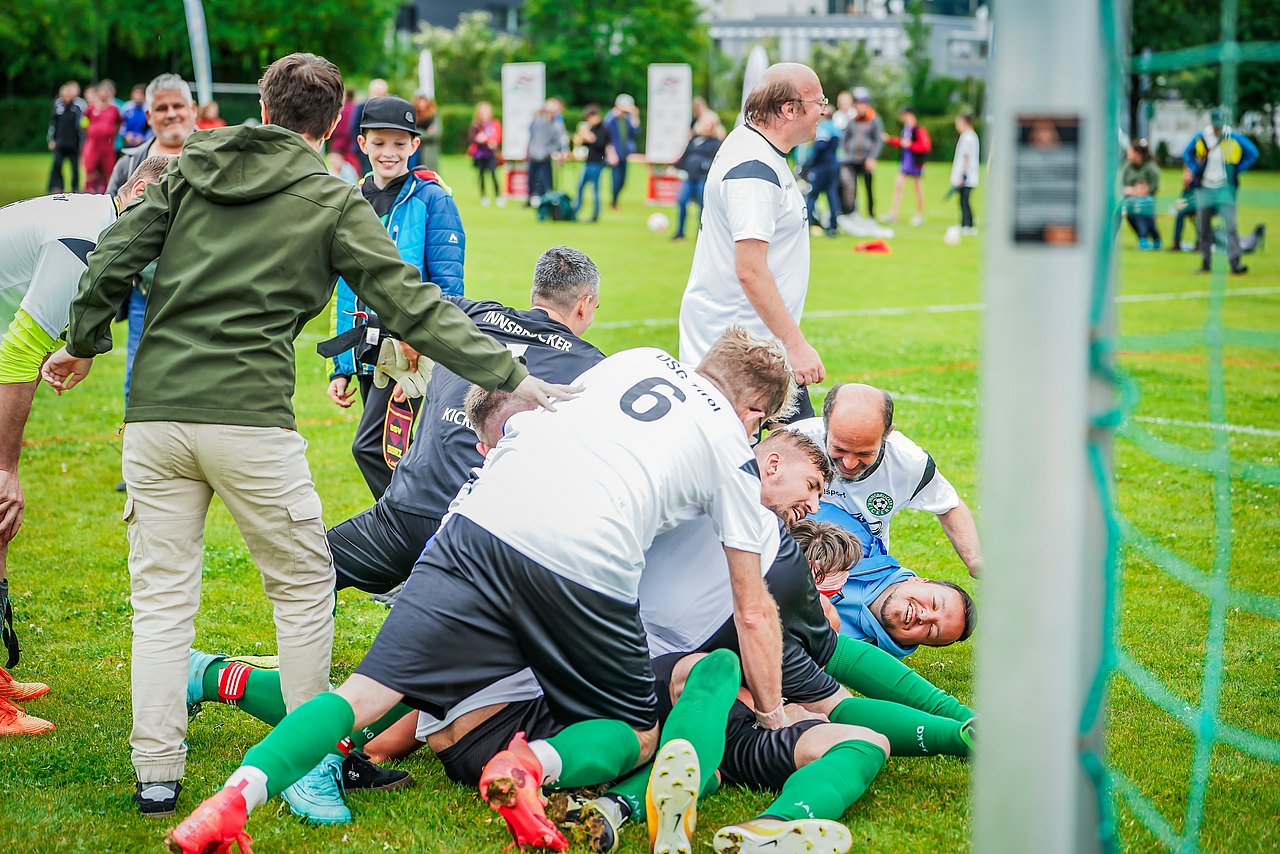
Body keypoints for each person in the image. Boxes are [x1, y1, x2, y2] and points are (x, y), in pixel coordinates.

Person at [40, 52, 572, 819]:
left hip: (156, 415)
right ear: (335, 121)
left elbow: (117, 249)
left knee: (160, 602)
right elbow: (411, 303)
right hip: (249, 418)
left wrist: (81, 342)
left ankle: (157, 774)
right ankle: (309, 768)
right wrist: (515, 377)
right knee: (302, 590)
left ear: (261, 103)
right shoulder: (330, 195)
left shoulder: (191, 166)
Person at [166, 328, 796, 853]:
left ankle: (231, 800)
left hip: (477, 517)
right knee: (636, 733)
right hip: (582, 557)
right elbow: (752, 605)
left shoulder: (634, 360)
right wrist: (771, 716)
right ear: (754, 414)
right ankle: (528, 767)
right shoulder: (731, 445)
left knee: (361, 694)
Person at [0, 156, 171, 736]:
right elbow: (19, 353)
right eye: (170, 214)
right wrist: (7, 469)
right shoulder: (86, 237)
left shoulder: (99, 218)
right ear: (142, 192)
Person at [324, 95, 467, 499]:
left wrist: (421, 352)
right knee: (397, 455)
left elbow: (449, 287)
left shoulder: (433, 200)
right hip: (367, 350)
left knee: (373, 448)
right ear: (362, 143)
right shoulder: (351, 200)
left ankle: (407, 533)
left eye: (399, 144)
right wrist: (340, 366)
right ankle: (423, 537)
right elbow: (344, 286)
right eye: (380, 142)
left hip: (408, 353)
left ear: (414, 146)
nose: (389, 153)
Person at [678, 62, 824, 421]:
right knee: (798, 461)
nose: (825, 109)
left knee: (794, 459)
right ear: (790, 108)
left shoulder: (755, 149)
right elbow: (750, 270)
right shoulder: (754, 169)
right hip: (741, 355)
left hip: (754, 346)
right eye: (820, 100)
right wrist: (795, 345)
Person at [789, 383, 984, 577]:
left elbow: (949, 507)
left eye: (864, 453)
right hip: (790, 558)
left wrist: (975, 560)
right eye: (839, 449)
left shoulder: (909, 463)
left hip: (863, 568)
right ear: (826, 423)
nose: (849, 463)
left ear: (887, 433)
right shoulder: (791, 444)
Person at [106, 74, 200, 409]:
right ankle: (140, 456)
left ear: (193, 109)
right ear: (148, 115)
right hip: (144, 296)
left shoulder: (221, 157)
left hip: (205, 293)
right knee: (139, 382)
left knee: (201, 383)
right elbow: (110, 232)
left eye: (178, 105)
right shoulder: (128, 164)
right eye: (162, 107)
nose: (171, 114)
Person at [808, 504, 975, 656]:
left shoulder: (857, 658)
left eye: (931, 630)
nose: (924, 616)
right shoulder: (852, 540)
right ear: (919, 580)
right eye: (933, 603)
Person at [1183, 106, 1258, 275]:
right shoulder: (1201, 137)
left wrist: (1237, 169)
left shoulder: (1232, 136)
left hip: (1225, 189)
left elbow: (1253, 153)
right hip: (1205, 187)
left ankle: (1235, 263)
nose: (1217, 127)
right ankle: (1205, 263)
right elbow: (1187, 154)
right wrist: (1195, 169)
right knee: (1203, 227)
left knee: (1230, 225)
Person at [671, 113, 723, 241]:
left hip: (702, 179)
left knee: (703, 206)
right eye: (705, 124)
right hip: (689, 177)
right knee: (682, 202)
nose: (707, 127)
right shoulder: (694, 140)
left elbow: (716, 161)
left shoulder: (716, 143)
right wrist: (675, 167)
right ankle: (680, 232)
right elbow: (685, 156)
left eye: (710, 125)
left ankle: (701, 234)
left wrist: (703, 165)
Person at [882, 105, 931, 226]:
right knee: (898, 186)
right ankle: (893, 214)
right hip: (905, 163)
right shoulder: (905, 129)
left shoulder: (918, 130)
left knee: (917, 189)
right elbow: (902, 143)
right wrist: (890, 140)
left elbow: (925, 146)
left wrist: (911, 145)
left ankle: (920, 215)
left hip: (916, 163)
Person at [838, 87, 881, 218]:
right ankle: (851, 212)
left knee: (868, 188)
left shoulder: (874, 120)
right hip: (852, 159)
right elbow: (845, 139)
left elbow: (878, 140)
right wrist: (845, 151)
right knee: (851, 187)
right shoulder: (852, 121)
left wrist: (872, 157)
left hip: (866, 159)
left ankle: (871, 213)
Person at [802, 104, 841, 237]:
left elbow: (819, 149)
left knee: (812, 196)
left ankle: (807, 224)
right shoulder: (836, 129)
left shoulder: (823, 130)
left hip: (821, 167)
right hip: (833, 166)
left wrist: (808, 165)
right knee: (832, 196)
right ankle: (833, 227)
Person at [573, 105, 612, 223]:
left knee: (595, 189)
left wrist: (590, 139)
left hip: (597, 163)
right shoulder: (592, 128)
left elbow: (600, 144)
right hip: (588, 162)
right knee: (580, 187)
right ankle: (575, 210)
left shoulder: (604, 129)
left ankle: (595, 214)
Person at [82, 81, 123, 194]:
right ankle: (89, 190)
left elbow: (119, 123)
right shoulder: (91, 109)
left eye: (106, 92)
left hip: (107, 145)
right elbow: (83, 122)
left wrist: (111, 132)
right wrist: (90, 130)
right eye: (102, 91)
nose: (104, 94)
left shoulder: (114, 109)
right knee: (90, 168)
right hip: (93, 144)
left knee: (108, 170)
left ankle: (106, 191)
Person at [527, 98, 569, 205]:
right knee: (532, 180)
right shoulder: (537, 121)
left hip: (545, 156)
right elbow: (532, 135)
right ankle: (533, 198)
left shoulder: (557, 125)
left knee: (546, 182)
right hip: (534, 154)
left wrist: (562, 151)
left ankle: (546, 201)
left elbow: (561, 140)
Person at [1121, 139, 1161, 249]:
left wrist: (1136, 191)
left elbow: (1152, 188)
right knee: (1126, 209)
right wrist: (1135, 190)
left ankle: (1149, 238)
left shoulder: (1151, 167)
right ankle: (1145, 238)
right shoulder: (1128, 167)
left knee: (1140, 208)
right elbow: (1124, 187)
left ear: (1138, 154)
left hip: (1147, 201)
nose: (1128, 154)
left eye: (1130, 152)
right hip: (1130, 201)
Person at [47, 82, 86, 193]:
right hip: (60, 142)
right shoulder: (58, 105)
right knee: (57, 164)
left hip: (74, 143)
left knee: (74, 167)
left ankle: (75, 187)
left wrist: (83, 141)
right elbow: (53, 124)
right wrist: (51, 140)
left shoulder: (78, 106)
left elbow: (82, 125)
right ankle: (58, 186)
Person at [604, 94, 641, 210]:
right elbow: (606, 136)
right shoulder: (610, 118)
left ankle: (615, 200)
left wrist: (635, 116)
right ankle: (614, 202)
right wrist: (610, 153)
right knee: (616, 179)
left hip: (624, 153)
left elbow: (636, 132)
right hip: (614, 154)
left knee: (623, 181)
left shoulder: (627, 119)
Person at [350, 78, 390, 176]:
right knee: (367, 173)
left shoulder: (388, 107)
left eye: (382, 93)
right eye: (377, 92)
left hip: (384, 148)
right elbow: (353, 127)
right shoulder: (361, 107)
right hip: (364, 148)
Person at [468, 101, 503, 207]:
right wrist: (478, 139)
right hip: (480, 154)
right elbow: (472, 138)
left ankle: (498, 196)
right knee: (481, 175)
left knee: (493, 174)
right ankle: (483, 196)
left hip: (491, 153)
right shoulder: (475, 125)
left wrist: (488, 140)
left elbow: (498, 136)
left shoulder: (494, 123)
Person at [950, 113, 980, 235]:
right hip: (966, 175)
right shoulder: (968, 136)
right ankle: (963, 224)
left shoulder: (968, 137)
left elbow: (967, 157)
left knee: (965, 201)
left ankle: (969, 225)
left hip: (967, 176)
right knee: (962, 201)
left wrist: (962, 175)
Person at [119, 84, 150, 151]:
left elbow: (151, 128)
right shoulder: (127, 108)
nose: (137, 97)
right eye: (136, 94)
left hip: (143, 144)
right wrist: (124, 135)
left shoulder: (148, 109)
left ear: (144, 96)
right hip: (128, 141)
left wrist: (144, 138)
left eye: (140, 94)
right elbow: (121, 124)